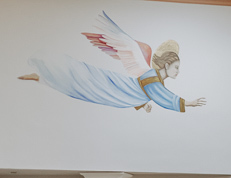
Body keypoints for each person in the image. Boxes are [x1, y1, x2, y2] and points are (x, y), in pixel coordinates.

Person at [19, 13, 206, 113]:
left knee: (83, 87)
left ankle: (43, 76)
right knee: (82, 80)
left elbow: (144, 93)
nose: (178, 72)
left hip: (119, 92)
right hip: (115, 87)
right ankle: (46, 70)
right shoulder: (153, 80)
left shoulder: (155, 80)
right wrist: (188, 103)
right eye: (176, 67)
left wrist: (142, 104)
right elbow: (161, 96)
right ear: (166, 65)